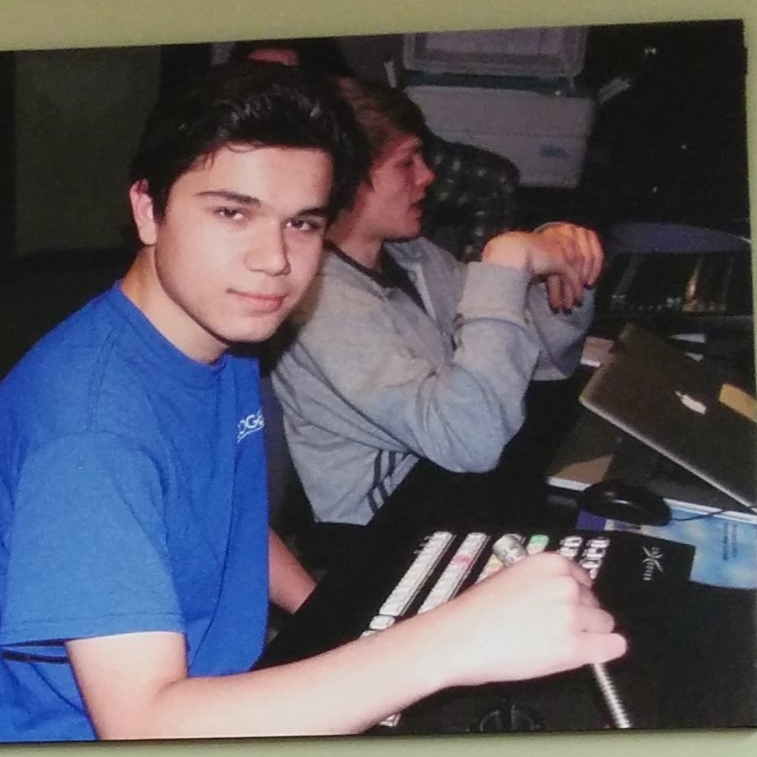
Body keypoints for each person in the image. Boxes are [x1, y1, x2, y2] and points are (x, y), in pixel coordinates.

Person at [0, 62, 624, 742]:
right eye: (232, 212)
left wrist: (334, 617)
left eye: (302, 223)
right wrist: (443, 644)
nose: (273, 259)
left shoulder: (216, 331)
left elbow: (209, 517)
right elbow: (141, 720)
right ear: (148, 209)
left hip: (230, 689)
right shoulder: (92, 435)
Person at [272, 76, 604, 527]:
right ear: (344, 181)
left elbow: (543, 361)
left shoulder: (414, 257)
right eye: (407, 162)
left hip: (464, 495)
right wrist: (506, 261)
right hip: (389, 537)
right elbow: (468, 440)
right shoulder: (321, 305)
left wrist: (562, 272)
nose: (428, 176)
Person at [232, 36, 522, 261]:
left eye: (289, 80)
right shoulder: (222, 150)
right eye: (255, 78)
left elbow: (492, 179)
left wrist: (483, 274)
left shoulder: (372, 136)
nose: (273, 96)